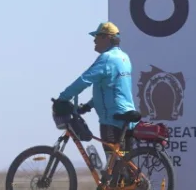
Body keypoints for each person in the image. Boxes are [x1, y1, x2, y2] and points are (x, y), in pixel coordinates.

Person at [56, 22, 137, 166]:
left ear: (107, 38)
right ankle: (130, 186)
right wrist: (88, 106)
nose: (94, 40)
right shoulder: (124, 57)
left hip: (112, 120)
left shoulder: (106, 58)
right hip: (126, 118)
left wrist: (63, 98)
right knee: (124, 161)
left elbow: (84, 80)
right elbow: (111, 89)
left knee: (114, 165)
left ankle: (120, 186)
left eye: (97, 36)